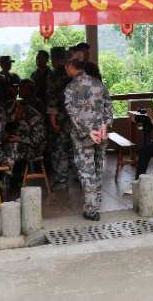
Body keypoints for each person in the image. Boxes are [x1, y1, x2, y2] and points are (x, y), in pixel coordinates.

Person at [64, 58, 110, 221]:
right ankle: (96, 202)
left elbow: (72, 113)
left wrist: (87, 132)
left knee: (87, 172)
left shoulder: (71, 87)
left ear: (71, 67)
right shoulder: (98, 83)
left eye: (66, 67)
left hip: (83, 137)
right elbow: (108, 106)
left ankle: (91, 209)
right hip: (101, 134)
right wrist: (105, 126)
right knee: (98, 168)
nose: (65, 69)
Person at [46, 46, 72, 190]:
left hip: (61, 117)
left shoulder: (55, 74)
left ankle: (62, 180)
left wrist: (53, 120)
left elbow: (52, 98)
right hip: (75, 118)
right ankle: (81, 178)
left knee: (59, 149)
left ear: (53, 59)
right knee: (74, 148)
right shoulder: (72, 72)